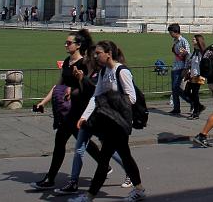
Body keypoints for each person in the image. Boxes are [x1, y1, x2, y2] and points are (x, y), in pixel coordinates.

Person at [72, 40, 146, 202]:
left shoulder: (122, 71)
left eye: (98, 53)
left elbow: (131, 97)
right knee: (124, 157)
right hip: (111, 121)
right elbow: (95, 96)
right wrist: (84, 116)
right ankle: (139, 189)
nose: (95, 56)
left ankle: (89, 196)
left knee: (105, 158)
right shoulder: (104, 72)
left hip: (120, 121)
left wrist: (110, 100)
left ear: (108, 54)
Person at [31, 30, 103, 192]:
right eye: (66, 42)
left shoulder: (86, 63)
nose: (66, 45)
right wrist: (43, 102)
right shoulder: (66, 61)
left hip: (79, 108)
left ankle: (53, 179)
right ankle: (52, 178)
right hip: (67, 109)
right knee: (72, 142)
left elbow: (87, 86)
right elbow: (59, 86)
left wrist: (75, 86)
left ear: (78, 45)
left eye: (69, 43)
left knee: (74, 143)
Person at [167, 24, 190, 116]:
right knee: (174, 89)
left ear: (175, 32)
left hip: (181, 67)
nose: (170, 34)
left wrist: (185, 68)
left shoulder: (183, 41)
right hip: (175, 66)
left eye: (171, 32)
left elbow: (188, 55)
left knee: (176, 88)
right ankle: (176, 108)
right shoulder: (175, 41)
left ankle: (192, 101)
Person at [186, 34, 207, 118]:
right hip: (192, 74)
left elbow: (203, 63)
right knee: (187, 92)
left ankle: (196, 112)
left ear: (198, 41)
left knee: (195, 93)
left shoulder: (201, 52)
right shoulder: (195, 51)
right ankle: (199, 106)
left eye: (194, 39)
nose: (192, 40)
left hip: (198, 75)